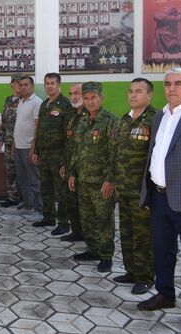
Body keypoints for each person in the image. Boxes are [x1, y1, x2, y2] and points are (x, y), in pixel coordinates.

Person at [138, 68, 181, 334]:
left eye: (178, 83)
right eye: (167, 84)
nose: (172, 88)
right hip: (160, 197)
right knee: (162, 251)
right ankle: (165, 293)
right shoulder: (159, 116)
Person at [111, 78, 157, 294]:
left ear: (150, 95)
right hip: (124, 189)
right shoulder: (125, 119)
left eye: (138, 91)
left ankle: (146, 276)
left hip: (142, 191)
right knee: (127, 233)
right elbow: (117, 152)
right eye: (130, 91)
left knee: (143, 236)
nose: (133, 95)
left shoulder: (155, 119)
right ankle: (131, 271)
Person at [68, 82, 117, 273]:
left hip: (101, 182)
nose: (89, 102)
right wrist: (72, 172)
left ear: (101, 98)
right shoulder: (82, 121)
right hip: (83, 180)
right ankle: (93, 249)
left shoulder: (110, 121)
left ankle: (106, 256)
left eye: (93, 98)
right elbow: (76, 150)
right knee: (87, 218)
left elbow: (115, 153)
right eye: (86, 98)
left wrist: (110, 180)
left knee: (103, 220)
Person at [32, 73, 72, 235]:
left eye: (52, 83)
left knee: (61, 190)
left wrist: (64, 160)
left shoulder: (65, 105)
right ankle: (48, 216)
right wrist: (36, 151)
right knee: (45, 187)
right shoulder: (44, 105)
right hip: (45, 154)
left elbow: (67, 134)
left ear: (58, 85)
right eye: (47, 83)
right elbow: (39, 129)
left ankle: (64, 222)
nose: (49, 86)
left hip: (58, 155)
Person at [13, 75, 43, 218]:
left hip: (28, 147)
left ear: (32, 86)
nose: (23, 87)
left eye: (26, 85)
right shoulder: (21, 102)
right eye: (21, 85)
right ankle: (28, 205)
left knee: (34, 179)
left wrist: (34, 148)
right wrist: (14, 144)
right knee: (22, 178)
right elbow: (19, 125)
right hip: (19, 147)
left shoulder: (37, 102)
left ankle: (38, 209)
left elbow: (38, 127)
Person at [59, 83, 85, 242]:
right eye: (71, 94)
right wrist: (64, 164)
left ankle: (92, 240)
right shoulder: (71, 114)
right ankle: (77, 232)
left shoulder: (91, 116)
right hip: (70, 166)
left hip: (85, 169)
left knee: (85, 207)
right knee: (72, 203)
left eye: (77, 93)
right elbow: (67, 142)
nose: (74, 97)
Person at [0, 74, 23, 208]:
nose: (20, 86)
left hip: (22, 143)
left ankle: (25, 198)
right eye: (17, 83)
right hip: (8, 141)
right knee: (10, 170)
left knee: (23, 171)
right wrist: (1, 139)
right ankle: (13, 197)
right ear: (12, 84)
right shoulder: (8, 100)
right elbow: (4, 121)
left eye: (22, 83)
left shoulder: (25, 101)